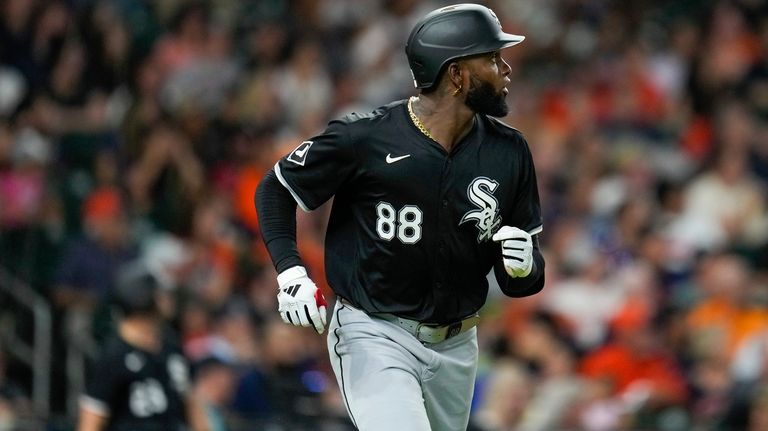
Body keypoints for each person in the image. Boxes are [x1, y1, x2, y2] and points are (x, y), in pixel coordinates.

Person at [255, 4, 545, 430]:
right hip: (374, 331)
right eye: (492, 59)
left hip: (457, 344)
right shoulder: (366, 137)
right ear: (457, 75)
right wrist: (290, 272)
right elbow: (276, 188)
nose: (505, 70)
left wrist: (524, 266)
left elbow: (523, 280)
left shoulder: (509, 151)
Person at [77, 263, 208, 431]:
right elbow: (90, 422)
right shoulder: (113, 356)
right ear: (142, 297)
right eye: (160, 294)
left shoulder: (172, 346)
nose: (167, 298)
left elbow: (193, 406)